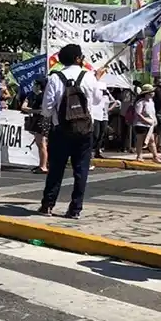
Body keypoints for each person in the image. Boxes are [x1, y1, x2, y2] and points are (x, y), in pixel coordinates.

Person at [39, 44, 103, 218]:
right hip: (84, 131)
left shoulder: (54, 78)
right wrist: (96, 80)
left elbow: (46, 108)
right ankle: (75, 209)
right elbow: (98, 100)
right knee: (81, 171)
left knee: (56, 170)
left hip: (60, 130)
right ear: (77, 58)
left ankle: (48, 205)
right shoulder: (89, 77)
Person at [21, 77, 49, 174]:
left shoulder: (43, 96)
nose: (34, 86)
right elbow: (24, 107)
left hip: (42, 120)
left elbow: (42, 109)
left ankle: (43, 166)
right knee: (40, 143)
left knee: (41, 143)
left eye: (36, 84)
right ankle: (42, 164)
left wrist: (33, 111)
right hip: (38, 119)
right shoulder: (34, 95)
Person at [133, 84, 161, 163]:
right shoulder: (140, 102)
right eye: (151, 92)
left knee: (151, 140)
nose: (153, 93)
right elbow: (138, 114)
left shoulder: (152, 102)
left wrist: (154, 120)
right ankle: (139, 156)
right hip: (140, 124)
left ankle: (155, 156)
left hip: (150, 125)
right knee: (140, 140)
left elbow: (152, 113)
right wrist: (145, 120)